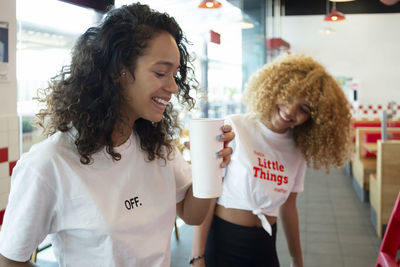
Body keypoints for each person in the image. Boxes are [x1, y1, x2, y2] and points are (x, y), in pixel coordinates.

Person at [0, 3, 234, 267]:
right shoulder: (49, 163)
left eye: (175, 74)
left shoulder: (157, 146)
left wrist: (212, 165)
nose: (173, 87)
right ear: (119, 71)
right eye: (160, 72)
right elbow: (10, 259)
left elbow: (193, 215)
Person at [191, 53, 352, 267]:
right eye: (289, 96)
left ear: (312, 118)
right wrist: (197, 256)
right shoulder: (235, 127)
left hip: (265, 245)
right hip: (223, 242)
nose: (291, 110)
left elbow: (289, 207)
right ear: (276, 88)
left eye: (304, 109)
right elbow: (208, 196)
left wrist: (297, 259)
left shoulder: (298, 149)